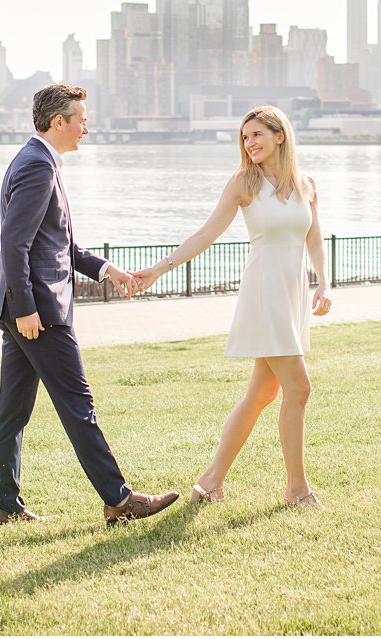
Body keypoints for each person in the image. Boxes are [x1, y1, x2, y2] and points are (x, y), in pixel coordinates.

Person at [0, 83, 179, 526]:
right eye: (81, 120)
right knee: (77, 403)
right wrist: (27, 308)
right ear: (59, 122)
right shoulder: (37, 167)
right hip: (38, 310)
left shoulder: (36, 161)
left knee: (12, 410)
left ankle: (6, 506)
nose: (86, 129)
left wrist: (109, 271)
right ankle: (119, 498)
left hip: (23, 304)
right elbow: (14, 244)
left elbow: (60, 245)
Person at [136, 105, 332, 509]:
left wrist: (324, 283)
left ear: (280, 135)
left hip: (292, 292)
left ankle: (210, 482)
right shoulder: (244, 183)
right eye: (245, 138)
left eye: (257, 134)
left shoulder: (306, 183)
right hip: (264, 293)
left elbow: (313, 239)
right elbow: (208, 231)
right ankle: (297, 489)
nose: (250, 143)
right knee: (299, 387)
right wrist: (160, 268)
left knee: (262, 394)